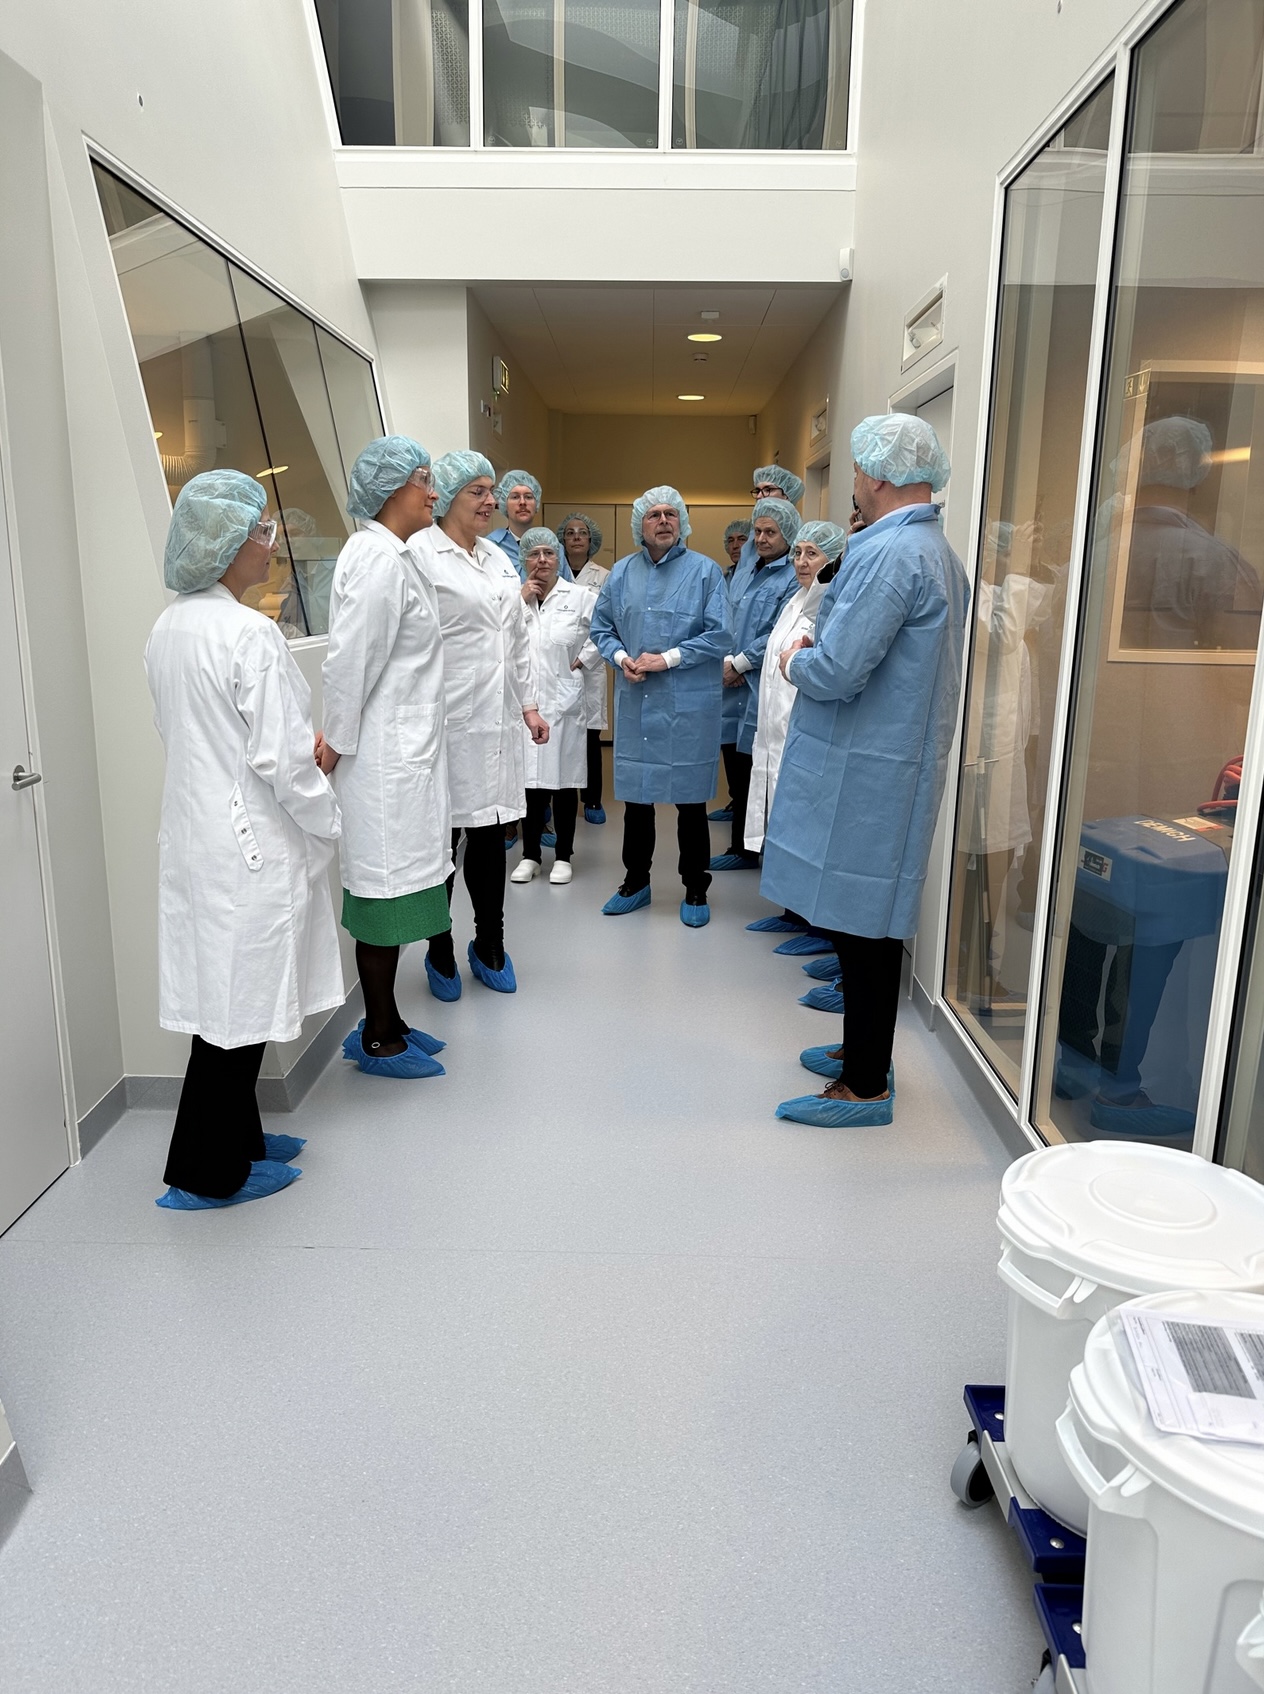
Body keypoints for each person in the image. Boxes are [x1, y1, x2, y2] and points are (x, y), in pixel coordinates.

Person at [145, 470, 344, 1209]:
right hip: (246, 843)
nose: (271, 543)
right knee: (237, 1005)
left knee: (229, 997)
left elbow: (188, 732)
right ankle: (204, 1174)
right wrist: (328, 816)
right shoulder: (249, 633)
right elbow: (284, 761)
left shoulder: (170, 626)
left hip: (199, 832)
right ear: (227, 544)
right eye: (261, 531)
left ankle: (243, 1139)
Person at [764, 415, 968, 1127]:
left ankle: (865, 1085)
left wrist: (796, 660)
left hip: (871, 770)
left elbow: (839, 668)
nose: (853, 481)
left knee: (864, 927)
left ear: (877, 474)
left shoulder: (890, 554)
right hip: (889, 760)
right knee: (866, 922)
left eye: (855, 469)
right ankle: (864, 1051)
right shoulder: (931, 549)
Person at [317, 436, 452, 1080]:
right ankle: (375, 1036)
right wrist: (336, 744)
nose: (434, 492)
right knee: (381, 895)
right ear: (393, 488)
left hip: (404, 756)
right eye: (425, 479)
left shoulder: (398, 556)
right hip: (380, 763)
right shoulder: (376, 558)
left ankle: (390, 1019)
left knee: (402, 887)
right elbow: (351, 663)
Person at [413, 450, 550, 996]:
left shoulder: (497, 558)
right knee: (442, 843)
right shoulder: (420, 555)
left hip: (495, 722)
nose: (491, 500)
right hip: (444, 722)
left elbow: (516, 641)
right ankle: (439, 947)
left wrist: (529, 705)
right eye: (478, 490)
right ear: (448, 497)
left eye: (492, 490)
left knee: (491, 837)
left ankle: (489, 941)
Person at [590, 485, 730, 927]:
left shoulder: (705, 572)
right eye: (654, 515)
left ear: (682, 522)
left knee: (691, 801)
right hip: (638, 701)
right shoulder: (621, 573)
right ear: (641, 525)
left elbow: (720, 634)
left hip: (688, 705)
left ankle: (695, 886)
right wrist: (621, 658)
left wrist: (666, 659)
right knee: (637, 800)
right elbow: (601, 628)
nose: (664, 520)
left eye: (671, 513)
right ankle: (636, 881)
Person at [745, 519, 846, 858]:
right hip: (775, 733)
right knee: (779, 821)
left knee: (802, 827)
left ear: (832, 559)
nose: (801, 562)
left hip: (803, 736)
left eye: (812, 554)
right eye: (798, 553)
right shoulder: (796, 601)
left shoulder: (832, 607)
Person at [712, 496, 802, 873]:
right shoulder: (745, 570)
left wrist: (739, 663)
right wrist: (723, 660)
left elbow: (779, 632)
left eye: (771, 532)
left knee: (755, 769)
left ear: (788, 535)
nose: (761, 539)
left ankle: (750, 848)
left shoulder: (791, 576)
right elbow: (726, 616)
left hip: (757, 684)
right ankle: (741, 845)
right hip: (727, 681)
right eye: (758, 531)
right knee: (734, 767)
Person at [510, 529, 600, 886]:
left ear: (558, 558)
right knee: (530, 786)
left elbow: (605, 630)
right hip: (524, 704)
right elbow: (498, 635)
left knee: (564, 783)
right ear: (524, 560)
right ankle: (530, 855)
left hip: (564, 704)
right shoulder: (515, 599)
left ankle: (563, 855)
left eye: (549, 553)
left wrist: (584, 659)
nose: (542, 560)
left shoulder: (579, 597)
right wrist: (519, 602)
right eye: (534, 554)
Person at [557, 511, 609, 823]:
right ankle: (551, 799)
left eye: (582, 533)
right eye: (570, 533)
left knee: (589, 737)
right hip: (554, 664)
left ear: (591, 541)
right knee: (555, 733)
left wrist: (585, 658)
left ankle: (592, 800)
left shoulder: (605, 577)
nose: (576, 537)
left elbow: (608, 624)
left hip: (589, 668)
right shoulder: (552, 572)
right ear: (562, 540)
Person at [488, 469, 573, 582]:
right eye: (515, 497)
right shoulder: (491, 546)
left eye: (528, 497)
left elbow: (567, 588)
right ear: (504, 504)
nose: (522, 502)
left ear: (536, 503)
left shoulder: (555, 548)